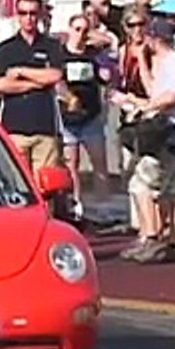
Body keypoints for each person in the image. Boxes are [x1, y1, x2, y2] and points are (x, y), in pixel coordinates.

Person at [122, 18, 175, 263]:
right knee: (174, 188)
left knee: (141, 184)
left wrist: (145, 107)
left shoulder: (171, 62)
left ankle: (152, 236)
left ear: (154, 38)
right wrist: (141, 61)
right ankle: (173, 241)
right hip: (171, 130)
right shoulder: (165, 62)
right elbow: (154, 89)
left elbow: (171, 96)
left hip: (165, 130)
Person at [0, 0, 64, 174]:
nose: (28, 18)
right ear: (17, 15)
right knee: (18, 184)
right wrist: (36, 83)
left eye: (32, 13)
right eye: (23, 13)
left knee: (47, 187)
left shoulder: (51, 45)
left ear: (39, 15)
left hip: (45, 128)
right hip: (15, 128)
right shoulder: (6, 48)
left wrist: (21, 72)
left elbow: (55, 75)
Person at [59, 13, 109, 217]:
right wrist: (67, 96)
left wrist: (104, 75)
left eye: (84, 30)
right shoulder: (60, 54)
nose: (80, 34)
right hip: (68, 118)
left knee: (99, 161)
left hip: (91, 116)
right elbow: (55, 82)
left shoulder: (92, 54)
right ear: (70, 30)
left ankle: (103, 206)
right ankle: (76, 204)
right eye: (77, 29)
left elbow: (109, 43)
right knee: (72, 163)